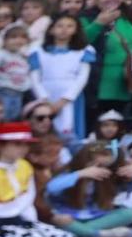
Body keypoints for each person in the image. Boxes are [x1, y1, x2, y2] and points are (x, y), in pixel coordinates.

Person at [44, 142, 132, 237]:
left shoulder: (108, 177)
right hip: (69, 216)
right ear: (83, 160)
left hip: (96, 215)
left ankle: (81, 233)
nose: (99, 169)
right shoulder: (71, 173)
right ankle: (102, 235)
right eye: (96, 165)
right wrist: (80, 174)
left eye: (105, 166)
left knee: (131, 213)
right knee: (57, 219)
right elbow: (51, 188)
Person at [28, 13, 94, 142]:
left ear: (76, 30)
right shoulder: (37, 50)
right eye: (60, 26)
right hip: (45, 94)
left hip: (70, 96)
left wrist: (65, 100)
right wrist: (44, 100)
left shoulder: (84, 50)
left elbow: (82, 77)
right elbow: (34, 76)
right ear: (51, 29)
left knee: (69, 129)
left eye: (70, 26)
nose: (64, 29)